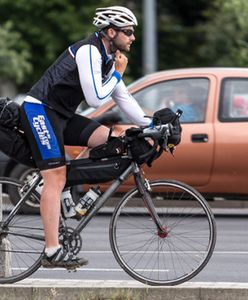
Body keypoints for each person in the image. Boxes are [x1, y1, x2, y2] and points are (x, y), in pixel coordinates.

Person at [19, 6, 150, 269]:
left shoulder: (108, 56)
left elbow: (122, 97)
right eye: (128, 32)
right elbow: (95, 98)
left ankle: (65, 193)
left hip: (62, 114)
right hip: (39, 110)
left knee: (110, 140)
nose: (132, 37)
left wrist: (151, 124)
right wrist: (117, 75)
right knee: (55, 176)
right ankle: (52, 250)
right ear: (111, 32)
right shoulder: (89, 51)